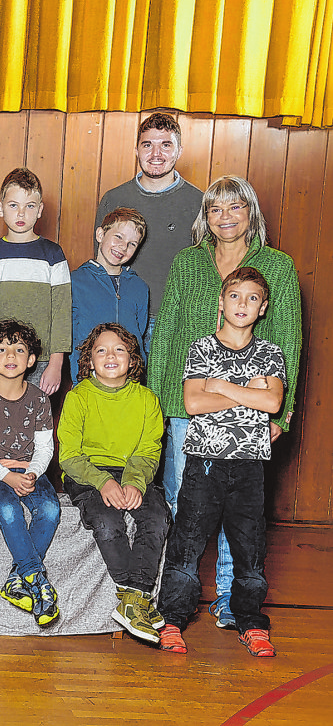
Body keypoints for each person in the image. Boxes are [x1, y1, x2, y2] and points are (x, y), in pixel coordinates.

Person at [148, 175, 301, 628]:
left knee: (241, 514)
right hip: (186, 402)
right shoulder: (187, 263)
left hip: (253, 411)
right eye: (215, 209)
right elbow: (167, 330)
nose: (225, 216)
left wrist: (284, 413)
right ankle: (178, 599)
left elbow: (289, 340)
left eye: (235, 207)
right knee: (183, 503)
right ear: (205, 218)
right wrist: (157, 401)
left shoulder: (278, 266)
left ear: (251, 213)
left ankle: (232, 602)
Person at [158, 268, 286, 657]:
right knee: (188, 541)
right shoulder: (201, 349)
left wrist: (223, 387)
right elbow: (194, 403)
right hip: (205, 463)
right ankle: (173, 619)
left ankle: (250, 621)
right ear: (221, 302)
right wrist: (250, 392)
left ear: (262, 308)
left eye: (252, 298)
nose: (242, 304)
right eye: (235, 296)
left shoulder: (270, 353)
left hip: (249, 463)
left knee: (249, 547)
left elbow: (274, 403)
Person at [59, 323, 170, 644]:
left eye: (119, 349)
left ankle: (132, 600)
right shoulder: (78, 398)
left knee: (157, 518)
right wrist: (103, 482)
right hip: (88, 473)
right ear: (89, 361)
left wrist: (135, 482)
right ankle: (137, 600)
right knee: (107, 521)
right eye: (101, 350)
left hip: (134, 470)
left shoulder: (147, 400)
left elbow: (148, 451)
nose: (111, 356)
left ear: (133, 360)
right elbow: (69, 455)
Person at [0, 319, 61, 626]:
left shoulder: (38, 399)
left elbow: (45, 447)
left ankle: (15, 579)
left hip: (27, 467)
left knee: (49, 508)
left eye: (19, 349)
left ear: (31, 359)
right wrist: (6, 476)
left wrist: (32, 472)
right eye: (2, 349)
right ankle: (36, 578)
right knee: (8, 508)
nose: (10, 355)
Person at [94, 112, 203, 349]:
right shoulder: (114, 199)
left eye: (166, 145)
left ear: (179, 151)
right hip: (122, 317)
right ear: (136, 150)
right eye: (147, 145)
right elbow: (101, 265)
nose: (156, 154)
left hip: (176, 320)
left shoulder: (199, 202)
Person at [0, 168, 71, 394]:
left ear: (40, 210)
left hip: (41, 361)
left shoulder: (53, 255)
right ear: (0, 208)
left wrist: (56, 364)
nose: (21, 214)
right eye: (13, 205)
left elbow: (62, 313)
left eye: (30, 206)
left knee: (33, 425)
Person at [70, 207, 150, 383]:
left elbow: (140, 331)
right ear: (100, 235)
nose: (123, 247)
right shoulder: (75, 282)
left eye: (132, 244)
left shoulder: (139, 287)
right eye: (118, 237)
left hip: (130, 383)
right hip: (87, 379)